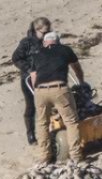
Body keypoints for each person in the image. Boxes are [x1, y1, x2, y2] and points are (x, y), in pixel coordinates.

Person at [25, 29, 86, 164]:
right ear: (58, 42)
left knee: (42, 124)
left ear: (45, 43)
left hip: (40, 91)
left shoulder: (37, 54)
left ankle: (44, 157)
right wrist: (81, 83)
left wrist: (39, 92)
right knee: (71, 122)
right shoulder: (65, 50)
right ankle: (76, 155)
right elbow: (77, 68)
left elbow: (34, 77)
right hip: (60, 89)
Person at [12, 16, 51, 144]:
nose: (46, 34)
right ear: (36, 30)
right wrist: (29, 69)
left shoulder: (49, 40)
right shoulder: (26, 43)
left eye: (48, 31)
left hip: (48, 76)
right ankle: (30, 134)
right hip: (28, 79)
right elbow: (16, 58)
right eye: (44, 32)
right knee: (31, 107)